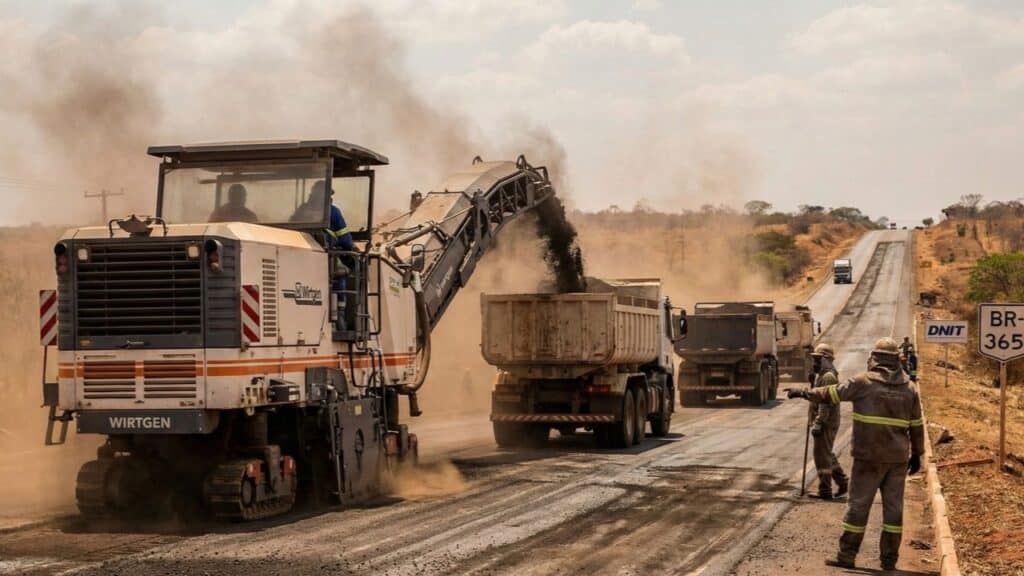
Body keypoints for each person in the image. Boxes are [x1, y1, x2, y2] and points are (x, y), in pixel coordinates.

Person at [788, 337, 925, 571]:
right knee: (894, 510)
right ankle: (889, 561)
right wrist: (917, 454)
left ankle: (847, 555)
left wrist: (803, 392)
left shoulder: (863, 383)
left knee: (858, 507)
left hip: (867, 458)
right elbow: (917, 425)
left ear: (876, 358)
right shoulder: (909, 389)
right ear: (896, 360)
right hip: (897, 460)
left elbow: (831, 394)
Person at [808, 343, 849, 500]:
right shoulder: (823, 375)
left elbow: (826, 402)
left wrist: (819, 422)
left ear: (825, 360)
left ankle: (825, 490)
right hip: (825, 421)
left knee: (821, 457)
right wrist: (813, 385)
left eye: (817, 360)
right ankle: (842, 481)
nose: (814, 363)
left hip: (827, 422)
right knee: (826, 454)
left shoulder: (828, 377)